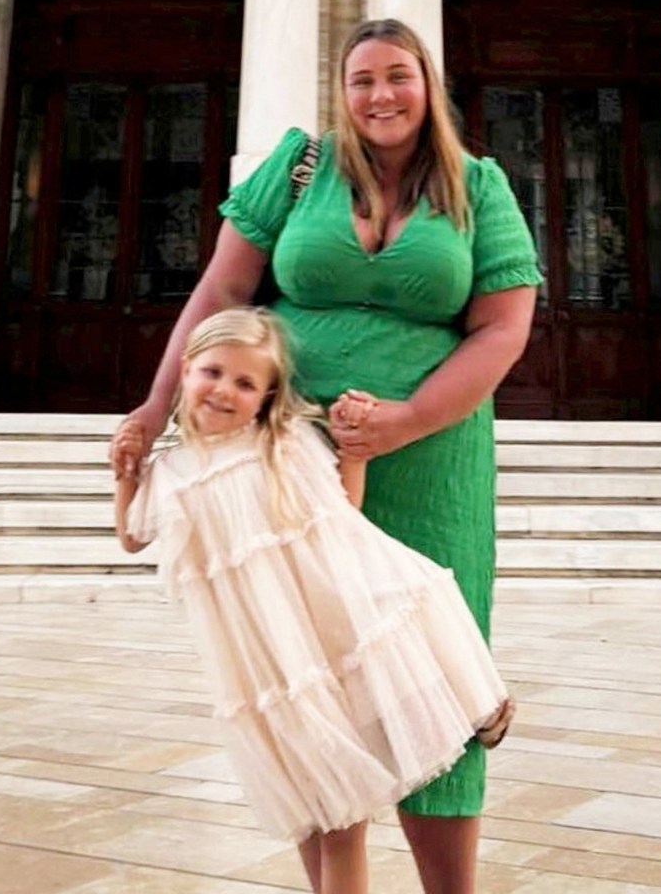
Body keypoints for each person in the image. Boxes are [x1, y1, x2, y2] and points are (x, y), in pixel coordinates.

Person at [110, 18, 542, 894]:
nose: (381, 96)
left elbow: (504, 326)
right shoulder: (299, 168)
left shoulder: (480, 185)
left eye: (398, 77)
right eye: (361, 80)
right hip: (287, 457)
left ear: (429, 85)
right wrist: (157, 407)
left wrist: (409, 417)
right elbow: (224, 289)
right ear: (340, 92)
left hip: (433, 461)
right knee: (308, 674)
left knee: (431, 670)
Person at [114, 307, 513, 894]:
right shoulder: (169, 472)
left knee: (342, 817)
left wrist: (355, 453)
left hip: (326, 637)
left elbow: (345, 514)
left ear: (266, 396)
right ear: (185, 371)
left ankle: (476, 696)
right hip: (265, 665)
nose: (224, 390)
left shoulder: (283, 444)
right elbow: (131, 535)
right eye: (213, 372)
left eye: (245, 383)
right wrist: (126, 471)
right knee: (330, 814)